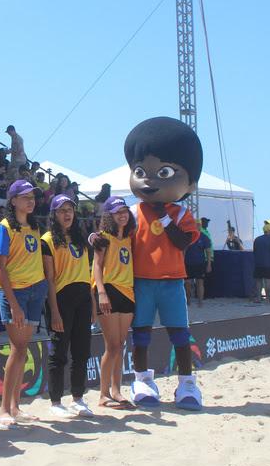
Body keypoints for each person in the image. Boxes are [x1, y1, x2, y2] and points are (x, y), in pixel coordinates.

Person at [119, 117, 203, 411]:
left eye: (164, 172)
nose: (150, 181)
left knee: (179, 333)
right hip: (141, 281)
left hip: (171, 281)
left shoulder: (180, 215)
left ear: (190, 183)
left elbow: (182, 242)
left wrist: (164, 217)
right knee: (141, 333)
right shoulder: (132, 213)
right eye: (141, 172)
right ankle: (142, 379)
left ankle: (187, 383)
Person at [0, 179, 48, 428]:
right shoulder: (4, 227)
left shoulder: (34, 226)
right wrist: (14, 304)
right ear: (13, 200)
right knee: (17, 349)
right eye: (25, 197)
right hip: (15, 292)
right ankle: (4, 409)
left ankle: (15, 407)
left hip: (35, 290)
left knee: (22, 349)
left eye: (33, 197)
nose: (31, 201)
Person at [41, 194, 93, 418]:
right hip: (61, 298)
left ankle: (78, 398)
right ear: (54, 214)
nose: (67, 214)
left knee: (82, 351)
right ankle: (55, 401)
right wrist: (54, 312)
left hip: (83, 297)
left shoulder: (79, 237)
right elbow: (50, 279)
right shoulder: (47, 240)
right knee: (59, 352)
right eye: (62, 210)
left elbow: (87, 272)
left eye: (70, 209)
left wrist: (92, 303)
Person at [91, 197, 136, 410]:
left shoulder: (129, 237)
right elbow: (97, 266)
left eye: (124, 211)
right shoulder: (103, 237)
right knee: (111, 346)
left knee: (120, 345)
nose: (122, 215)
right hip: (108, 290)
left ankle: (116, 390)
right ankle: (103, 394)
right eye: (117, 212)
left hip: (127, 293)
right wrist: (101, 292)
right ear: (109, 215)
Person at [184, 220, 211, 307]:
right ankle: (188, 301)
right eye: (196, 225)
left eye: (199, 225)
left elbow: (208, 251)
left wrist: (209, 264)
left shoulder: (204, 237)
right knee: (187, 283)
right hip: (188, 263)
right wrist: (181, 262)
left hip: (200, 263)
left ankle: (200, 302)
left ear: (200, 226)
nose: (197, 226)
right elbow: (183, 250)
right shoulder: (188, 236)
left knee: (200, 282)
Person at [253, 223, 270, 303]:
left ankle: (258, 298)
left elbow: (255, 251)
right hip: (269, 263)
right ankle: (268, 298)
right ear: (269, 231)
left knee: (258, 281)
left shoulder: (257, 239)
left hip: (258, 263)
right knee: (268, 281)